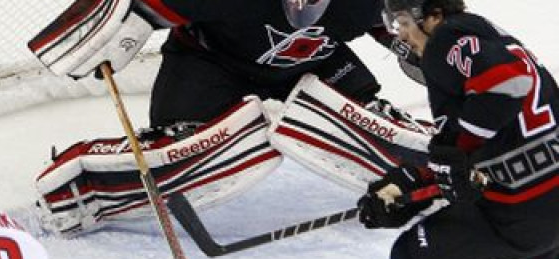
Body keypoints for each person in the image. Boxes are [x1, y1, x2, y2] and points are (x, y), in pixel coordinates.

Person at [28, 0, 430, 236]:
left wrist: (457, 62)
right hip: (211, 66)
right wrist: (109, 25)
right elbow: (133, 8)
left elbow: (433, 31)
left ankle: (436, 170)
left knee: (366, 123)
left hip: (318, 66)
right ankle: (90, 187)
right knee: (182, 153)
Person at [344, 0, 559, 259]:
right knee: (532, 257)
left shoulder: (448, 38)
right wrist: (412, 182)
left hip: (522, 206)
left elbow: (506, 83)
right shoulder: (486, 34)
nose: (402, 35)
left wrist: (452, 156)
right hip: (541, 196)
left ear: (435, 15)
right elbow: (479, 138)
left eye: (405, 23)